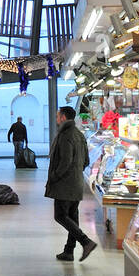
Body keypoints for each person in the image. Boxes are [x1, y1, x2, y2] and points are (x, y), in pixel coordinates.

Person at [47, 105, 96, 261]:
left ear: (63, 117)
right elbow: (86, 161)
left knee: (60, 216)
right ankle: (69, 251)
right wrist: (76, 172)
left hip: (64, 185)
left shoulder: (65, 135)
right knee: (72, 218)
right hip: (76, 182)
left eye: (57, 116)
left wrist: (54, 176)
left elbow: (65, 161)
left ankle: (86, 241)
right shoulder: (79, 135)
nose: (56, 119)